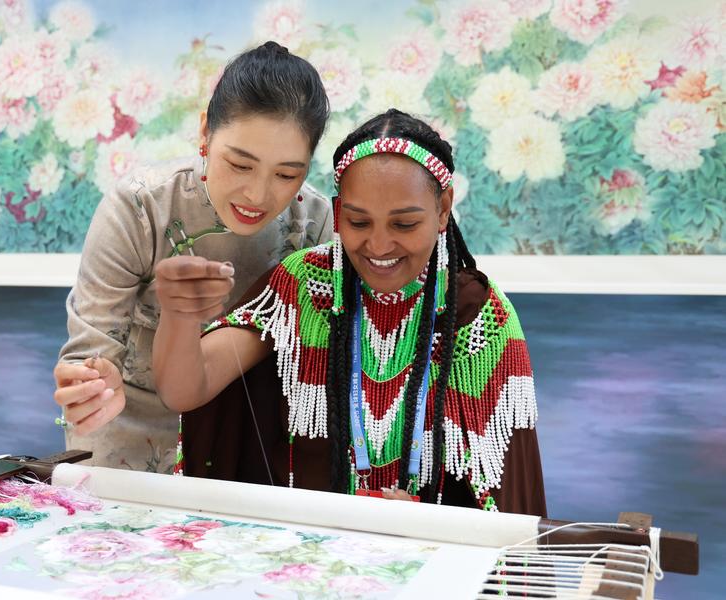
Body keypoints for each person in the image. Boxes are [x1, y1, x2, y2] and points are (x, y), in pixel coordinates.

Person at [153, 109, 546, 515]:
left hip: (429, 548)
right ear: (339, 211)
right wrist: (178, 313)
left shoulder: (477, 315)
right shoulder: (306, 286)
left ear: (443, 208)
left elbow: (504, 505)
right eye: (358, 222)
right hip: (306, 546)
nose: (378, 245)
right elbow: (185, 389)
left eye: (404, 225)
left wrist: (427, 522)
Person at [54, 41, 332, 472]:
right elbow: (90, 348)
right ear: (205, 132)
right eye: (240, 165)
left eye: (286, 174)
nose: (258, 195)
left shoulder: (314, 223)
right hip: (128, 428)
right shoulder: (142, 207)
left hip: (244, 442)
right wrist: (92, 383)